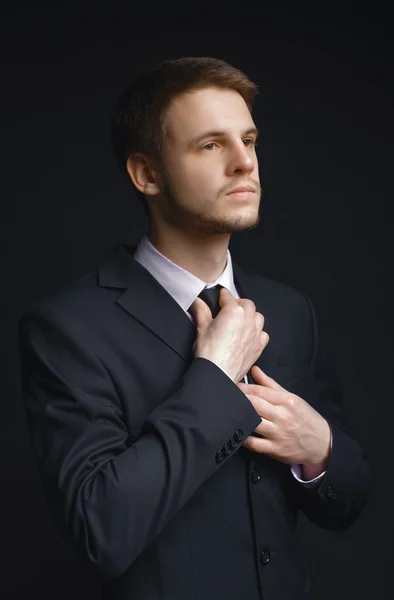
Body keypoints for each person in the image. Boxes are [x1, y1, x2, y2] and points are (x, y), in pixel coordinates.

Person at [18, 57, 371, 600]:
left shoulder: (290, 308)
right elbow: (101, 531)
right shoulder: (65, 328)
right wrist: (213, 377)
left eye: (248, 140)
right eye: (211, 145)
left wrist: (319, 450)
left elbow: (348, 502)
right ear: (147, 174)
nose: (244, 163)